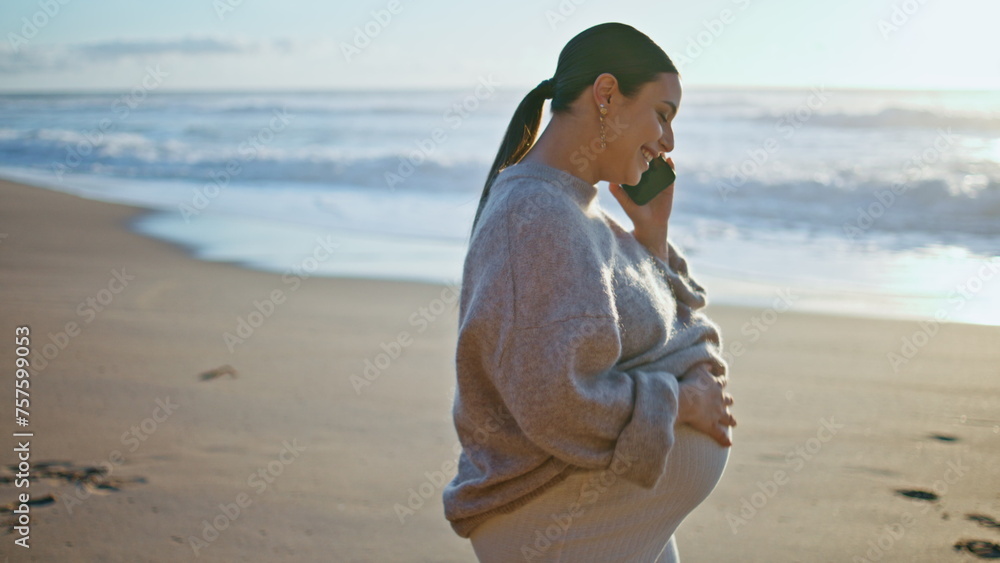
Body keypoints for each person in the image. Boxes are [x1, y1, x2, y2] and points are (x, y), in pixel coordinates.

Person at [443, 22, 737, 562]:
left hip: (592, 520)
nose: (669, 142)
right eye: (663, 114)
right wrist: (684, 401)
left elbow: (667, 333)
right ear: (606, 96)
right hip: (552, 524)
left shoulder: (578, 213)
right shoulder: (533, 218)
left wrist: (652, 238)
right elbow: (556, 404)